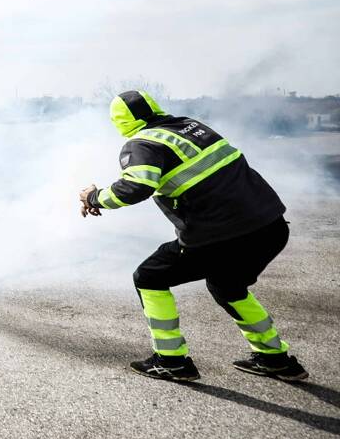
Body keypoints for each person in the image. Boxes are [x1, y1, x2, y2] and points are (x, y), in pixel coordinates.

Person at [80, 90, 305, 382]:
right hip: (271, 226)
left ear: (121, 121)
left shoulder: (142, 143)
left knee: (149, 277)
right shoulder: (192, 126)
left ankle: (171, 361)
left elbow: (136, 187)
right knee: (228, 285)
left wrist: (94, 197)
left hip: (222, 236)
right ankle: (275, 358)